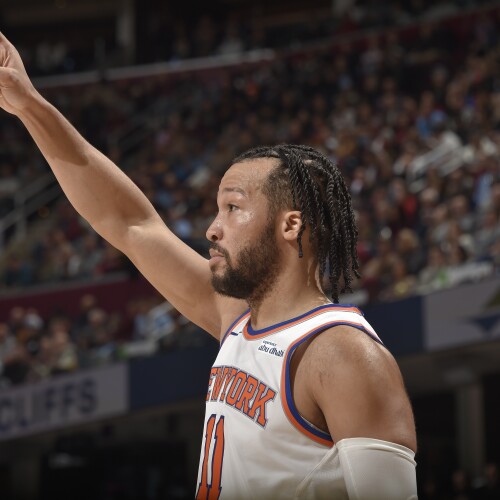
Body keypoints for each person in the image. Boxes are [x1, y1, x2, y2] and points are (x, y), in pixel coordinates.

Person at [0, 33, 417, 499]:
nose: (212, 230)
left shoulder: (343, 354)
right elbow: (128, 222)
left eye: (233, 208)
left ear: (290, 225)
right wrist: (28, 105)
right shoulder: (235, 317)